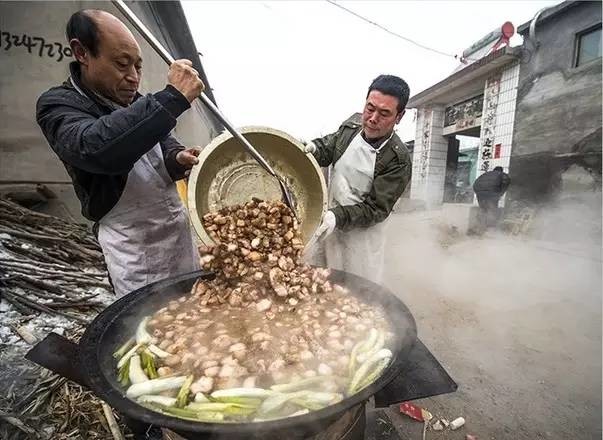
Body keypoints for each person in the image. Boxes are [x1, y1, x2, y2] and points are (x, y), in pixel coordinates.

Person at [36, 10, 205, 296]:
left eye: (138, 67)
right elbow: (98, 149)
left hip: (174, 231)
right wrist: (172, 98)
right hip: (134, 247)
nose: (134, 77)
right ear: (82, 53)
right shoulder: (58, 106)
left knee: (192, 309)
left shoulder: (137, 102)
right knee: (148, 322)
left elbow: (165, 143)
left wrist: (177, 159)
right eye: (122, 64)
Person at [304, 75, 412, 284]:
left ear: (399, 116)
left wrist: (337, 216)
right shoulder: (349, 131)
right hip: (330, 225)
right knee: (322, 281)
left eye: (384, 113)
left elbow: (376, 209)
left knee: (357, 290)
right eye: (370, 108)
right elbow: (327, 149)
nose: (372, 118)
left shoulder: (397, 159)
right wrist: (313, 148)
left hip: (362, 239)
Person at [472, 166, 511, 233]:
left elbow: (475, 184)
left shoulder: (486, 174)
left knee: (483, 209)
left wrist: (478, 193)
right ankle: (490, 230)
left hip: (479, 192)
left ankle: (479, 227)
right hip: (492, 192)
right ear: (501, 170)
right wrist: (500, 194)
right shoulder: (503, 175)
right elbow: (505, 184)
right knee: (492, 211)